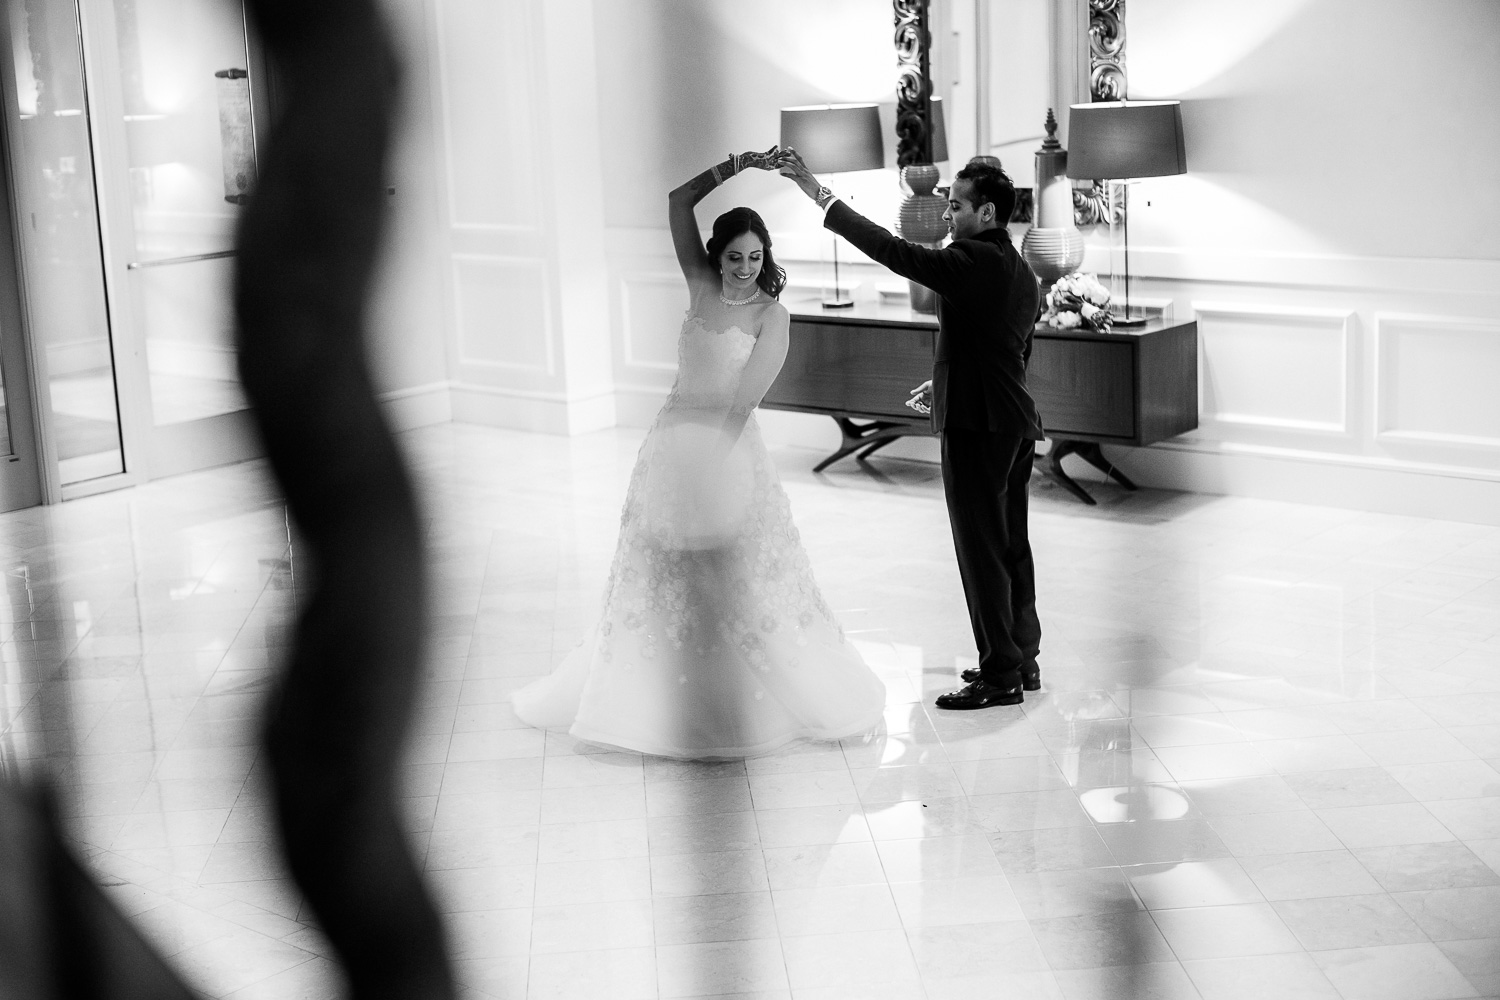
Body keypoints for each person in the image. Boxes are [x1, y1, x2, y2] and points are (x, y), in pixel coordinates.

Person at [511, 148, 886, 757]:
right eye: (734, 257)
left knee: (739, 579)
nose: (743, 268)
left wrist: (710, 464)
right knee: (656, 572)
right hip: (665, 446)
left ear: (768, 259)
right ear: (717, 256)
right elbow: (677, 203)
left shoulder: (774, 316)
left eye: (755, 258)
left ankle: (737, 698)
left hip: (727, 455)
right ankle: (642, 696)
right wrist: (741, 164)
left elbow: (742, 403)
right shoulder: (700, 288)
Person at [778, 151, 1043, 710]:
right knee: (1012, 545)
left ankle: (1000, 676)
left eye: (956, 205)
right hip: (1013, 422)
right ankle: (1023, 658)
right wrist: (942, 381)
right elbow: (1007, 348)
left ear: (987, 210)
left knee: (981, 552)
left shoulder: (969, 259)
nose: (947, 215)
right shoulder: (1019, 269)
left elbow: (892, 252)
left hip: (979, 425)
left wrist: (818, 193)